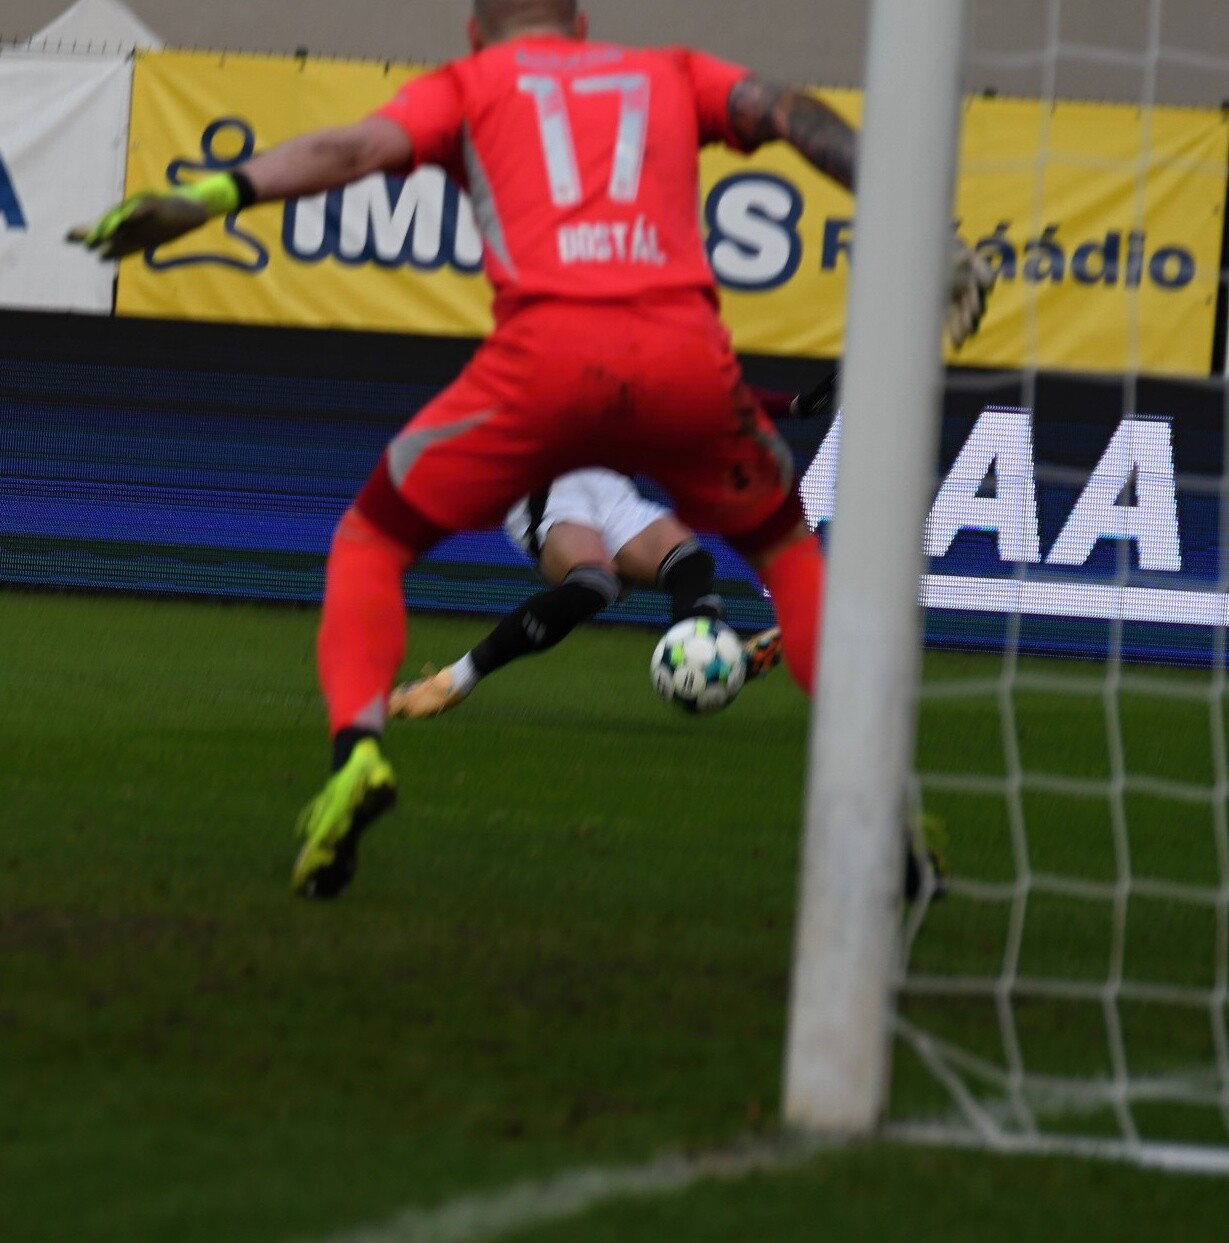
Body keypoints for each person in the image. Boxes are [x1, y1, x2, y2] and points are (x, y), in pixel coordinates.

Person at [71, 0, 993, 899]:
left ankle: (356, 754)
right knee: (788, 555)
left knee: (370, 540)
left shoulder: (469, 83)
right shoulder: (670, 72)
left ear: (476, 31)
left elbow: (347, 150)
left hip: (542, 363)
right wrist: (921, 226)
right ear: (580, 26)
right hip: (681, 356)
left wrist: (209, 196)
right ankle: (882, 800)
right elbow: (793, 114)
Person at [389, 379, 833, 719]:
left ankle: (713, 651)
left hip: (611, 486)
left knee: (688, 560)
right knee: (593, 582)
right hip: (547, 487)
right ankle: (454, 681)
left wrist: (793, 405)